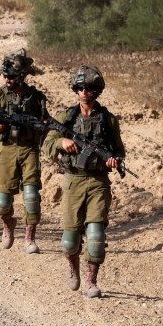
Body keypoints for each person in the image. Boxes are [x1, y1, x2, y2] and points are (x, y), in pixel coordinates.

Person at [43, 65, 126, 298]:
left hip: (98, 182)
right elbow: (48, 144)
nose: (83, 92)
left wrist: (114, 160)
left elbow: (119, 151)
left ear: (96, 90)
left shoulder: (108, 120)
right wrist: (62, 143)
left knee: (96, 235)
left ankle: (91, 280)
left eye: (88, 88)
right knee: (70, 241)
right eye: (79, 88)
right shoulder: (66, 118)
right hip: (73, 181)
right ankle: (73, 268)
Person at [0, 49, 48, 254]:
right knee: (2, 203)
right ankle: (8, 224)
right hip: (6, 150)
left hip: (29, 150)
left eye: (12, 76)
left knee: (31, 197)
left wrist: (39, 131)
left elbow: (46, 122)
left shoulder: (35, 97)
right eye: (5, 76)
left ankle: (29, 238)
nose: (7, 79)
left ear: (22, 76)